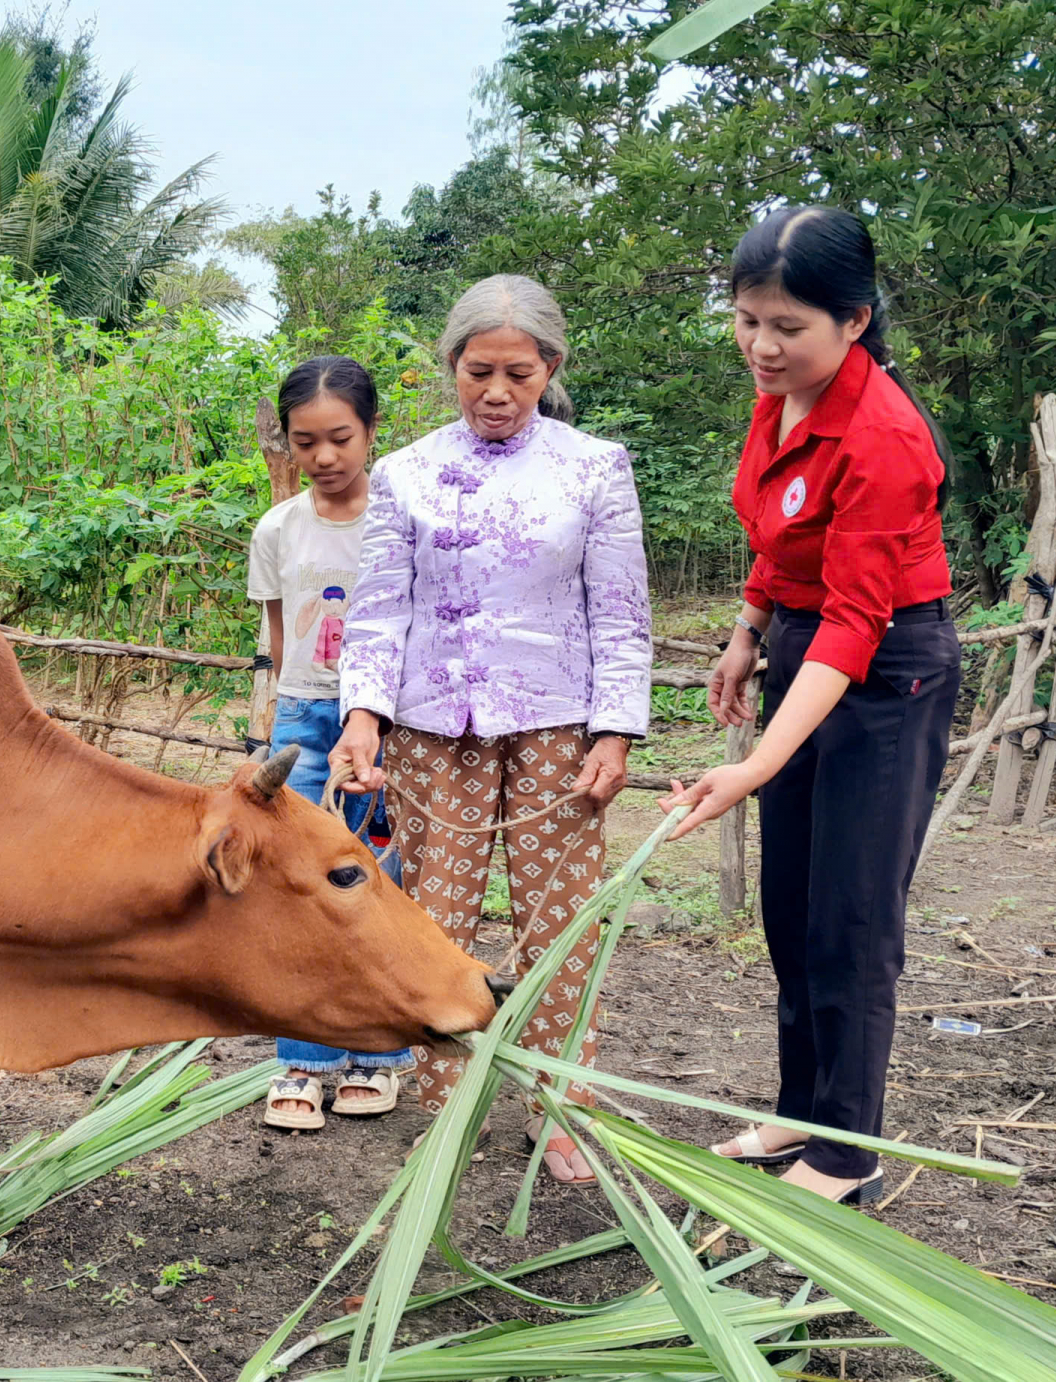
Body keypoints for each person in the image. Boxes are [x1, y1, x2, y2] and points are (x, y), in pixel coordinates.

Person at [661, 205, 960, 1207]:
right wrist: (747, 628)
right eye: (748, 319)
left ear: (856, 320)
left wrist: (752, 762)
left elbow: (855, 620)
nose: (761, 345)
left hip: (885, 667)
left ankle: (847, 1148)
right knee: (789, 905)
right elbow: (783, 535)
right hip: (802, 644)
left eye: (788, 326)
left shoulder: (886, 438)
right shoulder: (775, 399)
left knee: (852, 914)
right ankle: (804, 1103)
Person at [328, 275, 651, 1184]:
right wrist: (364, 718)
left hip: (557, 724)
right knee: (436, 918)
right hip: (435, 729)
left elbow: (620, 612)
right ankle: (447, 1104)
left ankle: (563, 1108)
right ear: (451, 370)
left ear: (551, 368)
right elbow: (381, 611)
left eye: (518, 373)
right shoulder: (405, 474)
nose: (497, 393)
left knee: (559, 920)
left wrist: (615, 731)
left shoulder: (595, 467)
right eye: (478, 374)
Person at [246, 355, 410, 1131]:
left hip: (388, 718)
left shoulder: (402, 516)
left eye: (340, 437)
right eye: (305, 442)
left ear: (372, 432)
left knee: (380, 877)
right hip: (306, 715)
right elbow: (281, 643)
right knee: (297, 881)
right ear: (287, 443)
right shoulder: (278, 529)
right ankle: (303, 1061)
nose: (324, 457)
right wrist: (282, 725)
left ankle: (379, 1055)